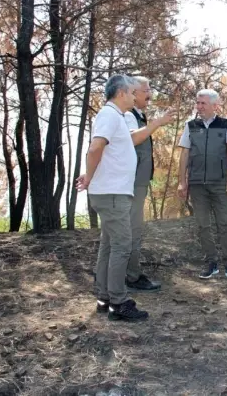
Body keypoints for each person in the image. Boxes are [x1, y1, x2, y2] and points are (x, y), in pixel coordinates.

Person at [76, 74, 148, 322]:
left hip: (112, 192)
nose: (134, 96)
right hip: (112, 194)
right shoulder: (109, 115)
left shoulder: (114, 116)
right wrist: (89, 177)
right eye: (131, 92)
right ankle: (119, 303)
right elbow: (96, 147)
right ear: (120, 94)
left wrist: (91, 175)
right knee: (121, 246)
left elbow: (106, 152)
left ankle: (104, 297)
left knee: (108, 246)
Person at [177, 89, 227, 280]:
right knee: (203, 225)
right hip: (197, 184)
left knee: (225, 224)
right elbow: (184, 154)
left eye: (203, 103)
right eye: (197, 103)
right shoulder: (190, 126)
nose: (199, 107)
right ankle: (211, 262)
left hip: (220, 184)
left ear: (215, 106)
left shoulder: (226, 125)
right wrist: (182, 182)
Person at [122, 76, 176, 292]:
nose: (150, 94)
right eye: (146, 90)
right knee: (132, 230)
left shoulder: (137, 115)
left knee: (131, 229)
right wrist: (158, 123)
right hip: (131, 183)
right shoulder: (127, 115)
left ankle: (122, 274)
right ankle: (131, 277)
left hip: (137, 182)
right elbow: (131, 139)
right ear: (133, 93)